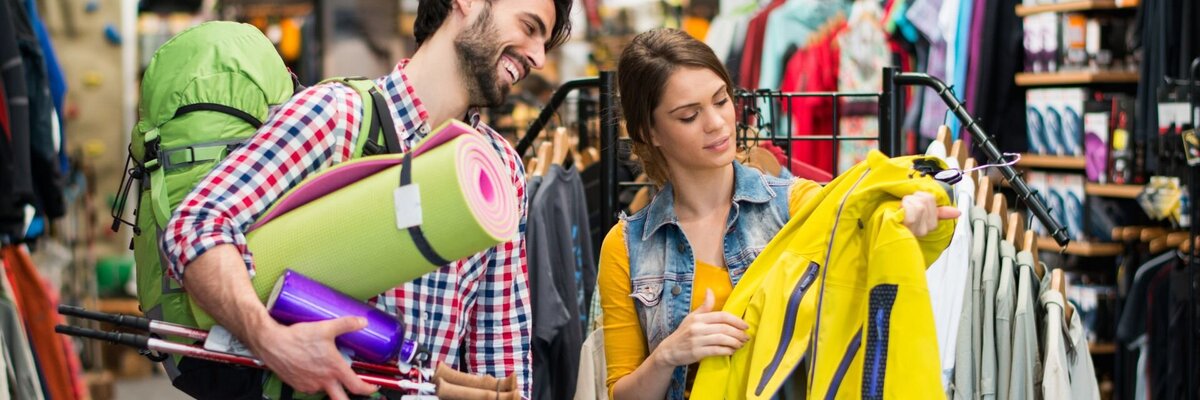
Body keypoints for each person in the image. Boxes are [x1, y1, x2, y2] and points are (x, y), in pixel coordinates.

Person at [159, 0, 572, 398]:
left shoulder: (497, 168)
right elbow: (195, 226)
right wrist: (270, 340)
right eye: (530, 27)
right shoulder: (338, 117)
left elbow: (498, 353)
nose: (538, 57)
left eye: (545, 43)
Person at [598, 28, 959, 400]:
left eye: (721, 101)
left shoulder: (797, 206)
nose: (717, 123)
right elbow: (622, 393)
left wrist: (916, 222)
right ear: (650, 131)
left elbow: (873, 258)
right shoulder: (627, 247)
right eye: (689, 116)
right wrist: (669, 355)